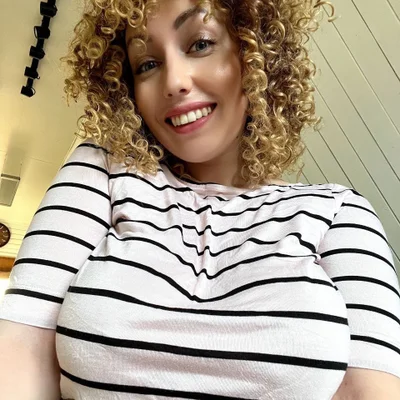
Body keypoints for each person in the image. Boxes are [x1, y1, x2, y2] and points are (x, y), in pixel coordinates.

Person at [1, 0, 399, 399]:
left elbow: (370, 391)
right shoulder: (102, 173)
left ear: (255, 52)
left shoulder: (339, 212)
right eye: (147, 64)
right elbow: (22, 350)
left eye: (200, 44)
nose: (174, 81)